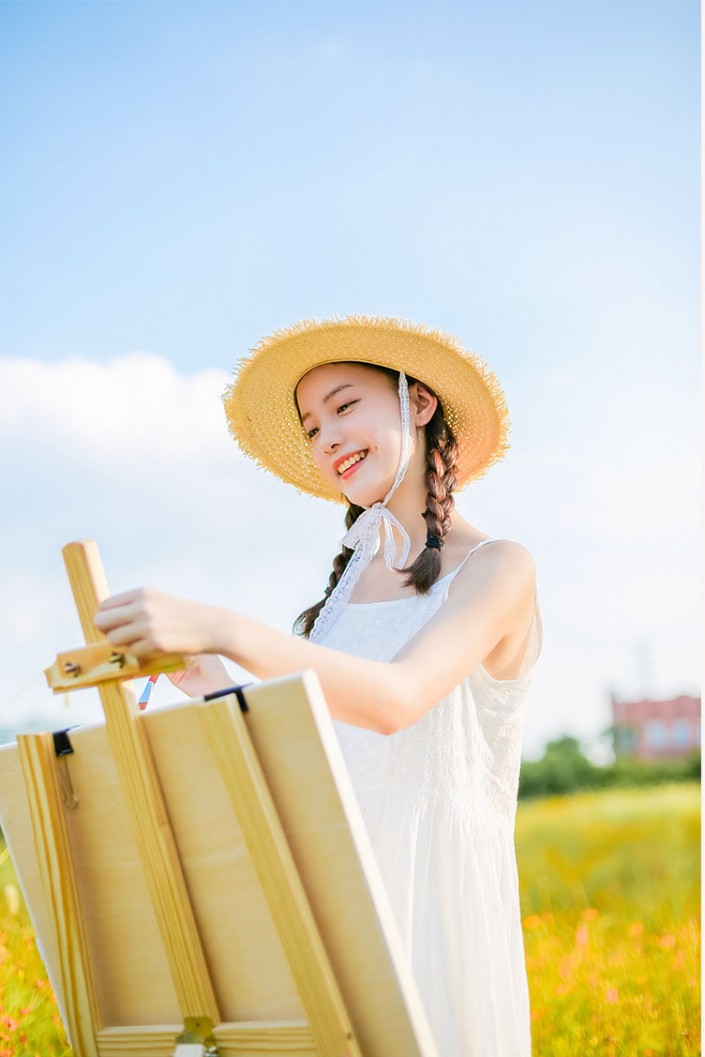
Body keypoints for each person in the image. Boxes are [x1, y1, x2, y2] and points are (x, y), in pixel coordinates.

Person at [94, 315, 543, 1057]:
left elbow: (394, 700)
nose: (326, 437)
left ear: (419, 402)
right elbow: (314, 760)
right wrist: (213, 682)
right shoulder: (341, 593)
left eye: (343, 406)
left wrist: (224, 626)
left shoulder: (499, 566)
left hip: (427, 912)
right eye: (310, 426)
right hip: (327, 905)